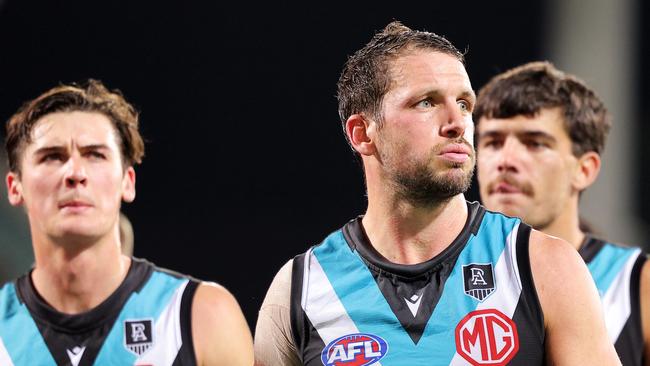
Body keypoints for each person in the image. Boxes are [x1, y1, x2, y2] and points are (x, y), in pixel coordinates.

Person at [254, 22, 620, 366]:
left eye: (464, 104)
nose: (457, 123)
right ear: (363, 133)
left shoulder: (543, 266)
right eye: (426, 102)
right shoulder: (302, 289)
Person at [0, 80, 253, 366]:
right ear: (15, 187)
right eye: (52, 157)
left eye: (95, 155)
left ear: (127, 182)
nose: (75, 173)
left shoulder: (201, 316)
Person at [475, 61, 650, 366]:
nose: (506, 160)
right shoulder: (441, 274)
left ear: (584, 169)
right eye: (493, 142)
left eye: (535, 143)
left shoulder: (636, 282)